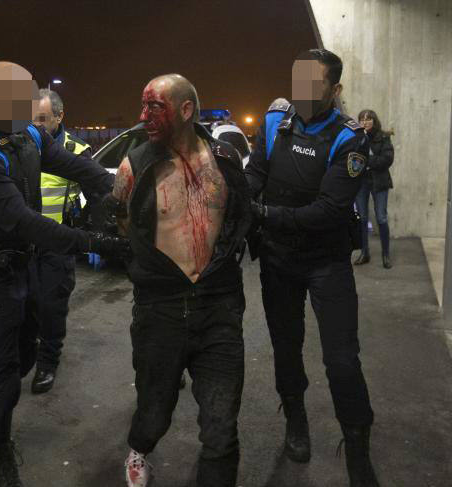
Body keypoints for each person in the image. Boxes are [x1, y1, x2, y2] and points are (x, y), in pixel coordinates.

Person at [0, 61, 125, 487]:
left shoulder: (28, 134)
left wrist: (116, 192)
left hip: (23, 269)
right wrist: (95, 244)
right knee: (2, 375)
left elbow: (73, 165)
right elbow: (22, 220)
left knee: (24, 359)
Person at [245, 48, 379, 486]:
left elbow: (328, 210)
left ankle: (357, 445)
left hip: (326, 262)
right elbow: (256, 177)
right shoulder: (272, 122)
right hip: (279, 260)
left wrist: (263, 216)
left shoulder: (350, 138)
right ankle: (296, 421)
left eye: (313, 83)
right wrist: (235, 194)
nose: (300, 91)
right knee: (286, 347)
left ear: (335, 89)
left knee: (342, 360)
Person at [111, 74, 252, 487]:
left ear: (186, 110)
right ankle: (140, 448)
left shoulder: (225, 159)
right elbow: (121, 223)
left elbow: (241, 216)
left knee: (221, 425)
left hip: (219, 306)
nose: (143, 115)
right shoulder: (133, 165)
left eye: (154, 106)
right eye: (143, 105)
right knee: (154, 410)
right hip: (161, 310)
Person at [30, 88, 92, 394]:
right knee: (25, 304)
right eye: (32, 119)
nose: (37, 126)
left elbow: (94, 197)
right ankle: (27, 354)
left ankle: (48, 361)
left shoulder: (76, 150)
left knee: (52, 307)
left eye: (43, 119)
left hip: (57, 245)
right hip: (25, 242)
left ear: (59, 116)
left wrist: (86, 234)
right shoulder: (21, 145)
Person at [353, 109, 394, 268]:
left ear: (374, 121)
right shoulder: (356, 137)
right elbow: (352, 158)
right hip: (361, 182)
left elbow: (387, 159)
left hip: (380, 182)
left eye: (368, 119)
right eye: (362, 119)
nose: (365, 122)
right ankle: (365, 253)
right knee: (362, 218)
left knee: (381, 218)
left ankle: (386, 254)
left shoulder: (384, 137)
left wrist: (367, 161)